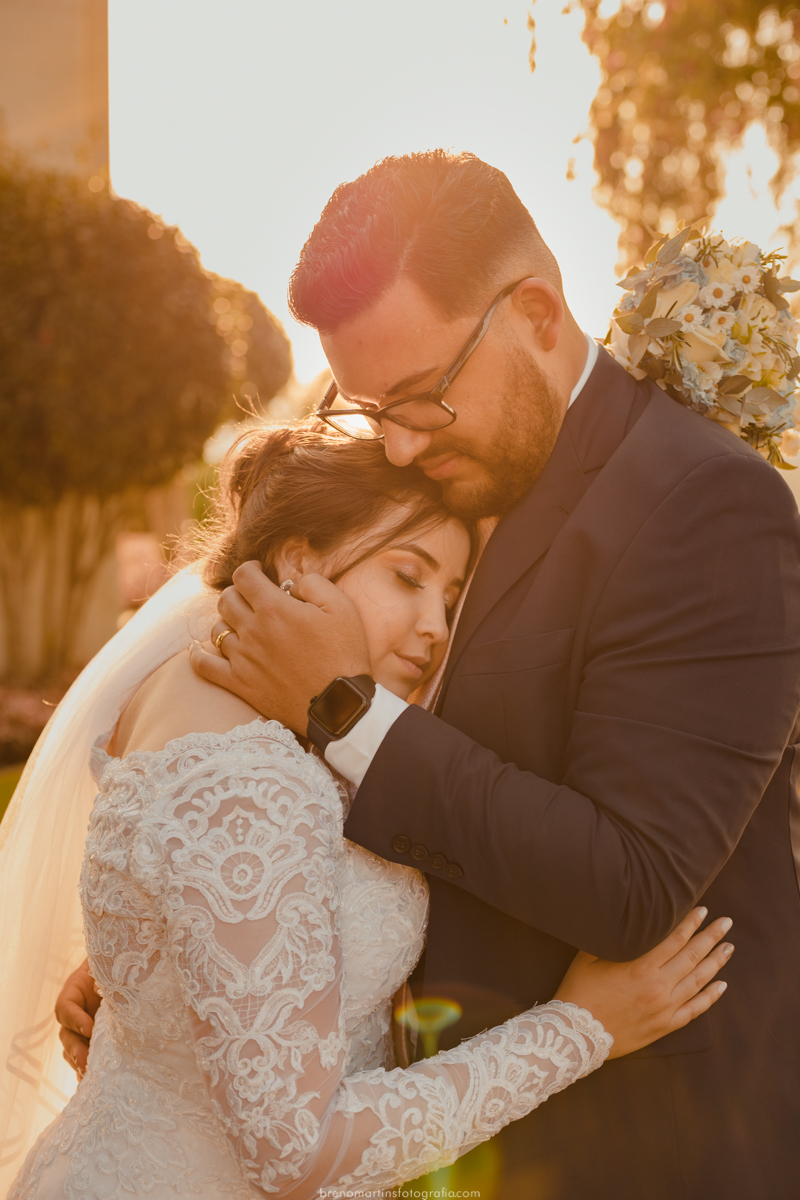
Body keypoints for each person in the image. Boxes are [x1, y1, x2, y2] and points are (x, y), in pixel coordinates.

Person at [183, 152, 800, 1199]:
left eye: (422, 397)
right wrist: (190, 966)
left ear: (536, 313)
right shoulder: (436, 479)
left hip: (646, 1152)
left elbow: (631, 884)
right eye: (370, 404)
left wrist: (345, 707)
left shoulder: (705, 504)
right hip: (444, 1144)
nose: (400, 442)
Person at [8, 425, 732, 1200]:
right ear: (300, 562)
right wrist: (581, 1028)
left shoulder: (206, 698)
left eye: (452, 599)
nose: (434, 627)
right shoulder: (249, 778)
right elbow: (295, 1154)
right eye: (407, 576)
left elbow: (201, 931)